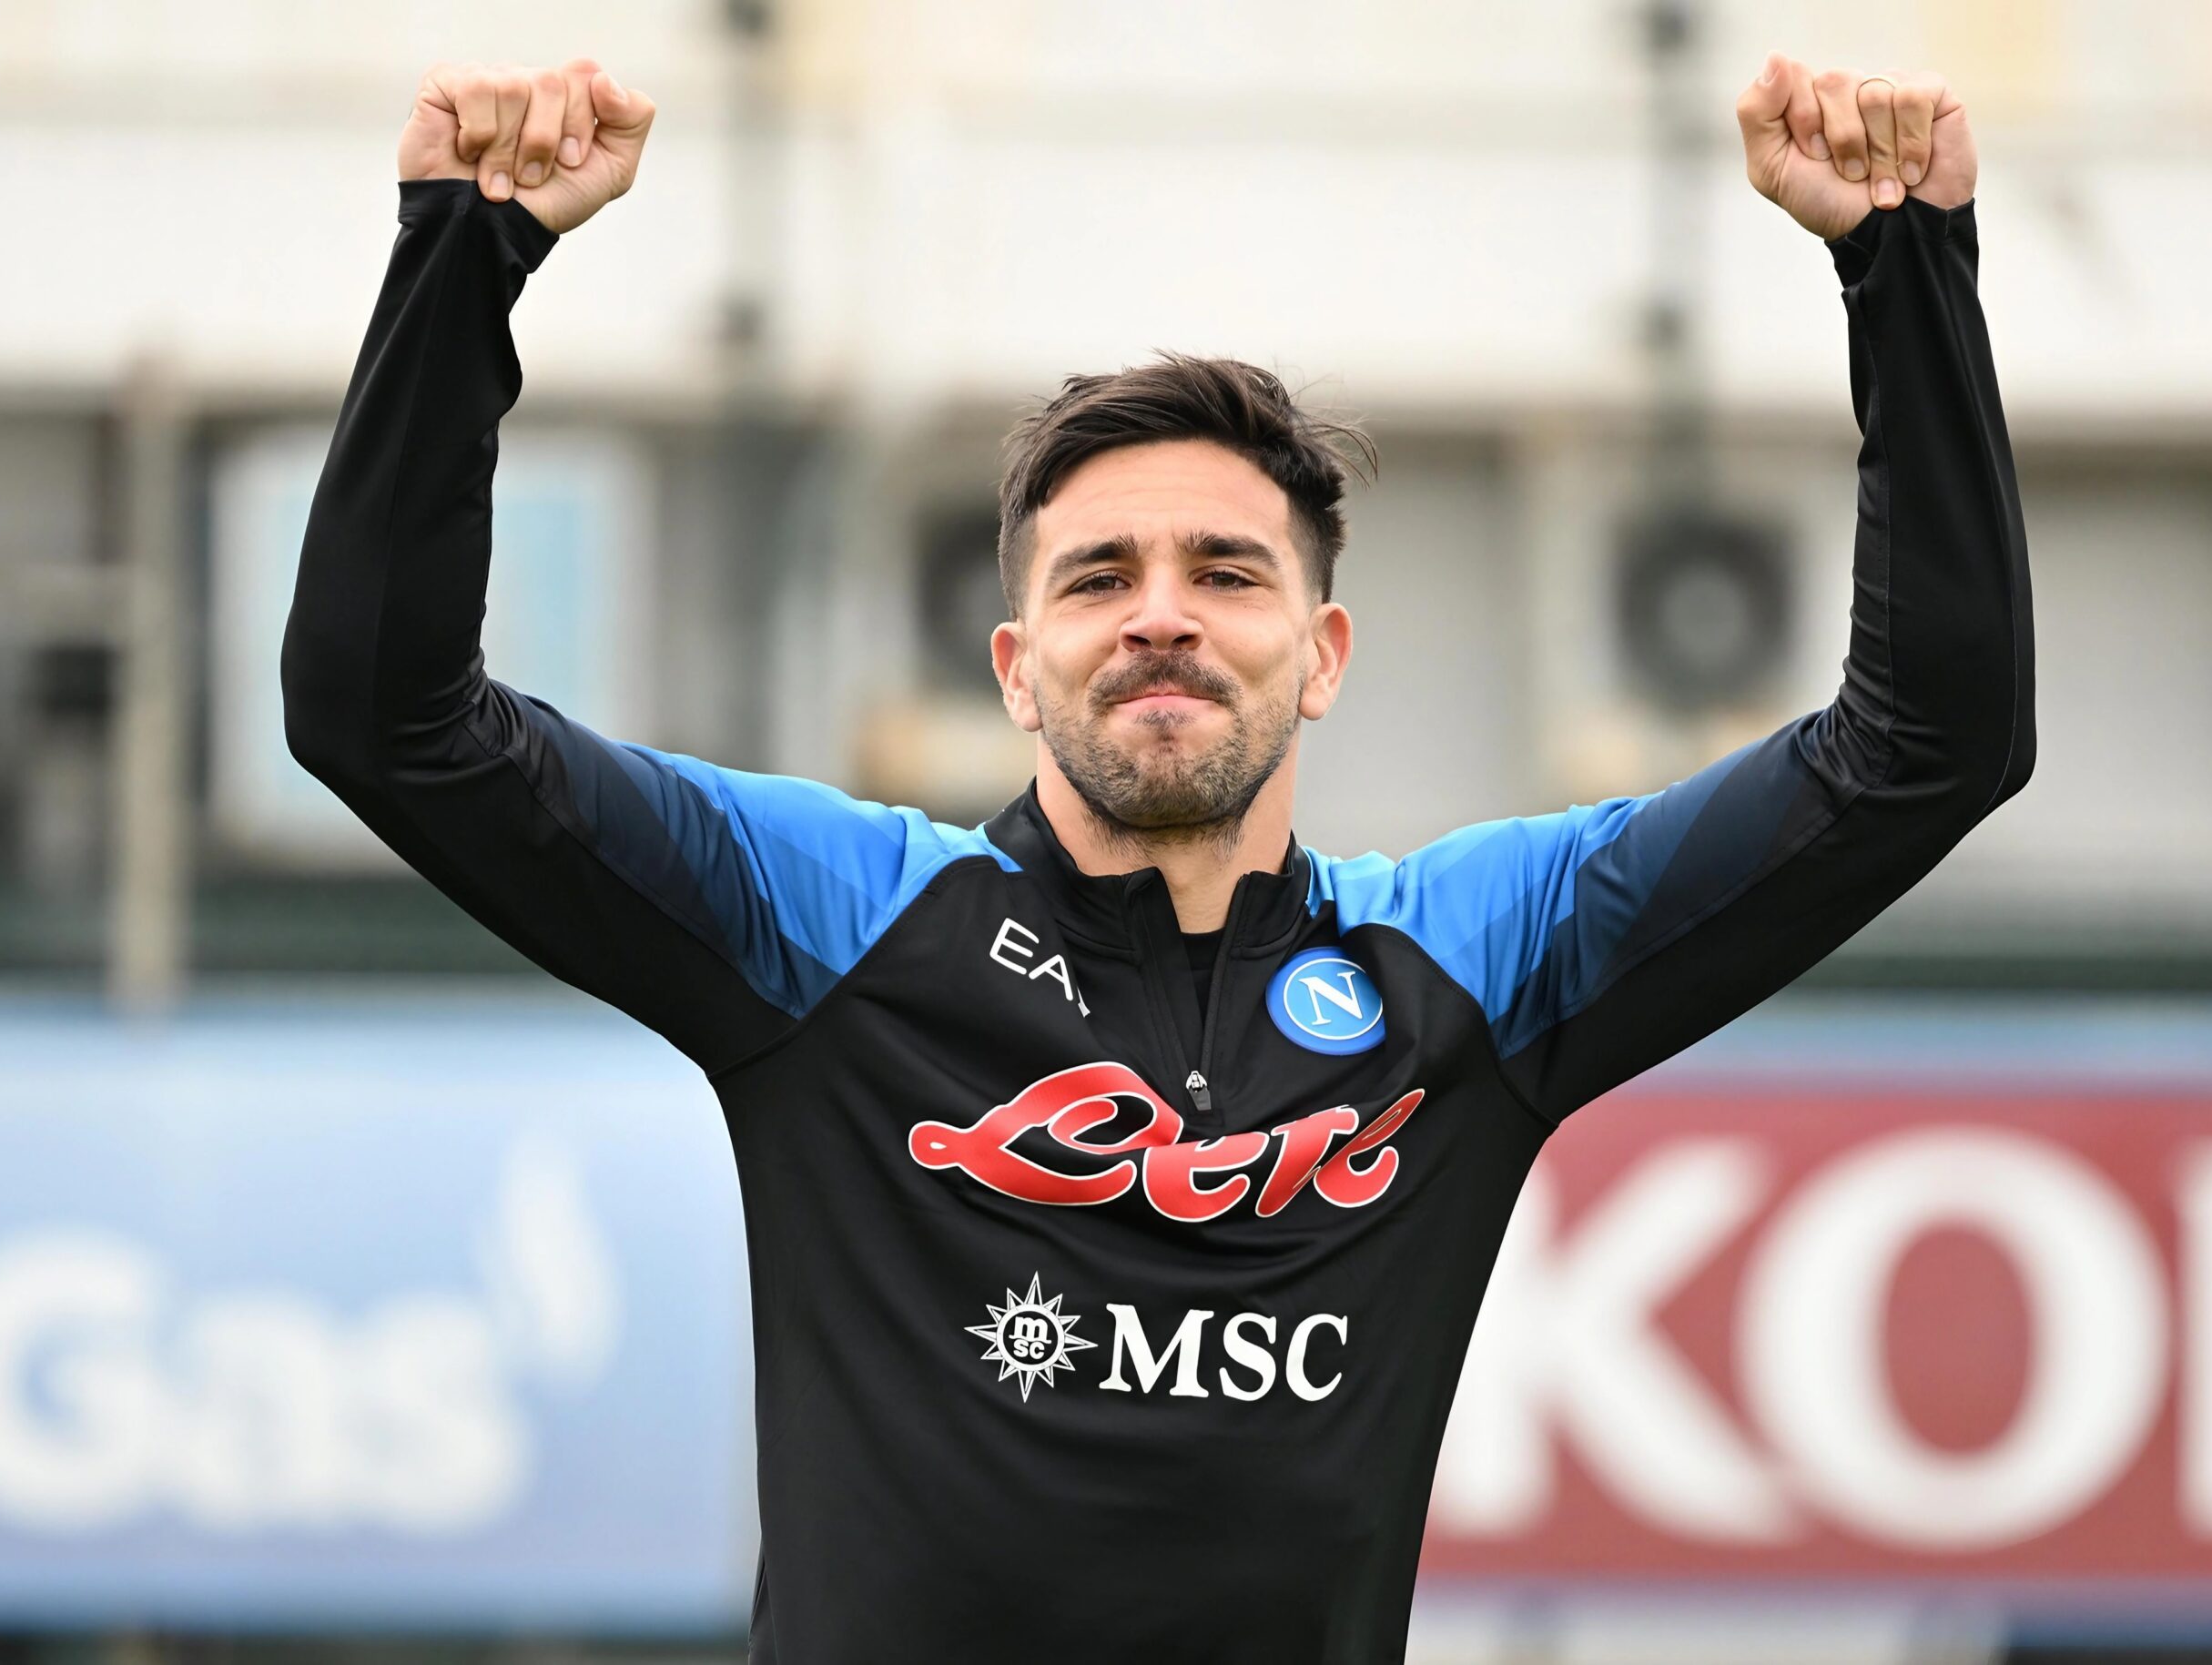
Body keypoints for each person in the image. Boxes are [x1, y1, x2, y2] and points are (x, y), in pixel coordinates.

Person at [282, 49, 2032, 1665]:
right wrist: (468, 259)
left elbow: (1927, 749)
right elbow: (387, 718)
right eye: (1098, 578)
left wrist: (1905, 272)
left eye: (1228, 571)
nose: (1162, 618)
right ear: (1015, 665)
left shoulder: (1478, 960)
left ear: (1324, 654)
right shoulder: (829, 914)